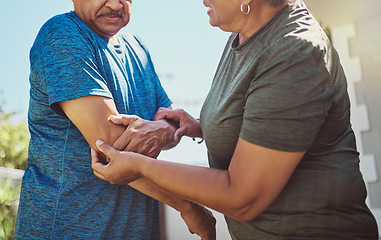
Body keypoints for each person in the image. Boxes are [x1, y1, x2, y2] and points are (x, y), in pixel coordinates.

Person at [91, 0, 380, 239]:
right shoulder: (244, 33)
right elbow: (264, 121)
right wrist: (201, 126)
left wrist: (141, 166)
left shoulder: (294, 52)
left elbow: (244, 198)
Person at [14, 0, 216, 239]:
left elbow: (170, 126)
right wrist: (189, 207)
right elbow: (113, 149)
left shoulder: (137, 49)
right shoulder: (62, 35)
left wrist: (161, 130)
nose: (114, 3)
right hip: (67, 230)